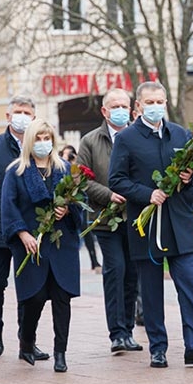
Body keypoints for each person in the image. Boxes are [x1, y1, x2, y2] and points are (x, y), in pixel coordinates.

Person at [110, 81, 193, 368]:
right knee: (152, 290)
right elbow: (117, 180)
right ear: (138, 107)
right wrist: (147, 194)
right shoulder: (127, 139)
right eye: (150, 102)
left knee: (188, 285)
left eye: (160, 101)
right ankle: (158, 348)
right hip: (148, 226)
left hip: (179, 223)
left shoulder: (180, 134)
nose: (156, 106)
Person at [0, 120, 80, 372]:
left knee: (61, 298)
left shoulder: (65, 169)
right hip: (30, 245)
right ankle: (27, 342)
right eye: (38, 138)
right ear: (29, 141)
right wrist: (22, 233)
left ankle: (60, 352)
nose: (43, 142)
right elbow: (8, 207)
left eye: (47, 137)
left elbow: (80, 201)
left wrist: (67, 209)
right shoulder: (16, 171)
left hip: (61, 244)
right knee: (32, 298)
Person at [0, 96, 49, 361]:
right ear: (8, 116)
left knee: (29, 288)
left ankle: (27, 340)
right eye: (17, 112)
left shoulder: (40, 146)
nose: (22, 116)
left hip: (29, 231)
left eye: (27, 112)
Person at [77, 88, 144, 353]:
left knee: (132, 275)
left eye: (124, 106)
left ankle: (128, 330)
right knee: (115, 271)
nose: (120, 110)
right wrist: (108, 195)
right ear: (104, 111)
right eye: (114, 106)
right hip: (106, 220)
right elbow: (81, 179)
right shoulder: (91, 141)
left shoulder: (138, 137)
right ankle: (117, 333)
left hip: (135, 218)